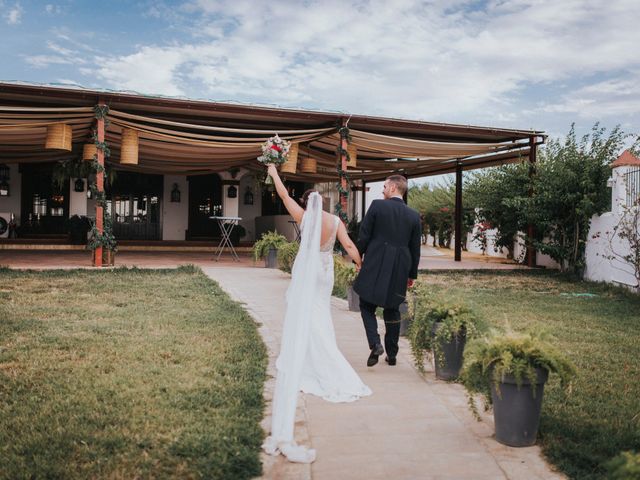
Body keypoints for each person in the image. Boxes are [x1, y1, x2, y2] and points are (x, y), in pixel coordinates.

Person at [262, 163, 371, 464]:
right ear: (322, 201)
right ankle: (319, 355)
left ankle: (313, 359)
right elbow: (348, 244)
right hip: (325, 272)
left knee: (305, 314)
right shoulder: (335, 221)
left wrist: (273, 173)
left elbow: (284, 196)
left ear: (307, 201)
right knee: (320, 314)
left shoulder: (304, 216)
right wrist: (360, 263)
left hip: (306, 271)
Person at [353, 175, 422, 367]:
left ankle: (375, 344)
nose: (382, 190)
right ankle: (391, 354)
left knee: (366, 304)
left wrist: (357, 257)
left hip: (375, 261)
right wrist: (411, 275)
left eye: (384, 186)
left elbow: (364, 236)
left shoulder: (376, 206)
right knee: (392, 309)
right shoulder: (414, 215)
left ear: (392, 188)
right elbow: (415, 249)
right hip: (400, 266)